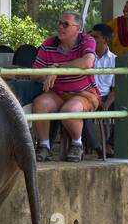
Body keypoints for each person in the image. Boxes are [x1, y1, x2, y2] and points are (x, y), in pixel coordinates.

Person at [32, 11, 99, 162]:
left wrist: (58, 69)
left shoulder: (87, 40)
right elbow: (34, 74)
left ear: (78, 29)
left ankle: (77, 144)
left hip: (84, 94)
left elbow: (87, 62)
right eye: (59, 23)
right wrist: (48, 74)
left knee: (69, 110)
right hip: (57, 93)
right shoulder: (48, 43)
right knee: (39, 104)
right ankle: (44, 146)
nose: (61, 27)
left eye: (66, 24)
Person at [83, 23, 118, 155]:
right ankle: (97, 147)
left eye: (95, 37)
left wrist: (107, 102)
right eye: (90, 37)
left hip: (107, 97)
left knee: (126, 111)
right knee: (79, 111)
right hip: (88, 96)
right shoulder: (85, 59)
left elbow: (115, 88)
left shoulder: (115, 60)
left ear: (105, 40)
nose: (91, 40)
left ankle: (109, 144)